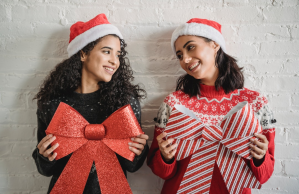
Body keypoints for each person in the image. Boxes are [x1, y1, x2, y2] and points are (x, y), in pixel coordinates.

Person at [147, 18, 275, 194]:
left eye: (190, 47)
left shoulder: (254, 102)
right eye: (179, 55)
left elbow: (264, 176)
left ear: (215, 44)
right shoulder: (174, 103)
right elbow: (161, 172)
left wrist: (260, 158)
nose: (185, 59)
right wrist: (166, 157)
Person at [32, 13, 149, 194]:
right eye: (106, 51)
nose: (114, 61)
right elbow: (45, 170)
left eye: (118, 54)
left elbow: (132, 167)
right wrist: (44, 157)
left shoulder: (125, 103)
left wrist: (139, 151)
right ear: (84, 53)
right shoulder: (52, 104)